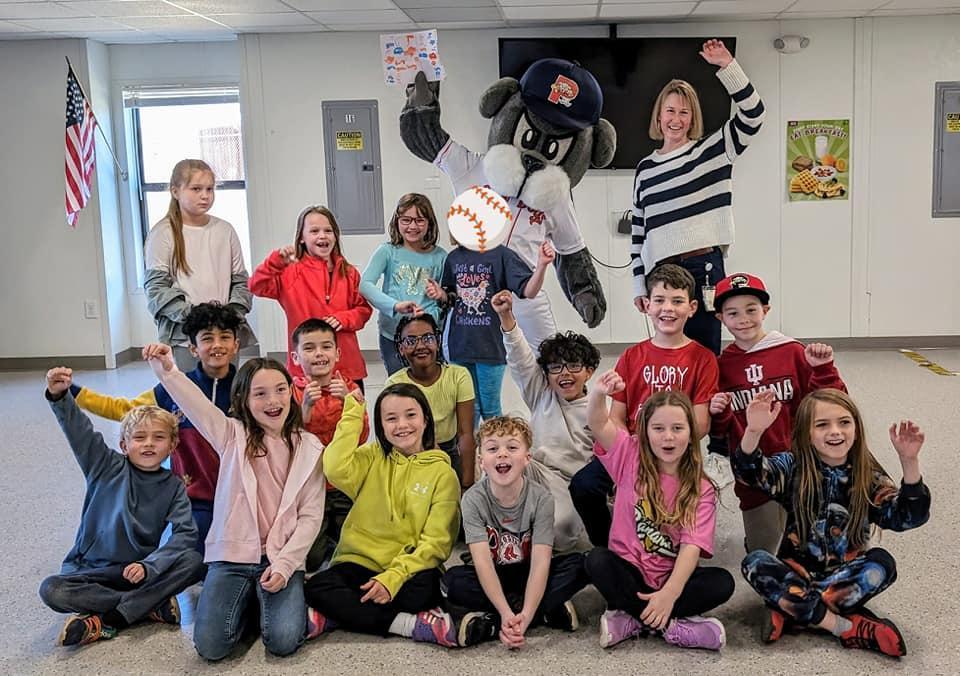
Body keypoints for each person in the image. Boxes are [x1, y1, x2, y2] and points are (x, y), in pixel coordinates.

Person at [143, 344, 326, 660]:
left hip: (280, 556)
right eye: (260, 394)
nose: (273, 401)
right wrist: (168, 370)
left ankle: (269, 601)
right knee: (211, 647)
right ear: (242, 400)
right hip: (233, 556)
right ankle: (251, 601)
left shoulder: (309, 446)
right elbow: (196, 404)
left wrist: (283, 567)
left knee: (282, 641)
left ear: (291, 394)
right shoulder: (231, 434)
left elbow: (311, 516)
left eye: (281, 390)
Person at [735, 389, 930, 657]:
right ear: (806, 433)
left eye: (844, 422)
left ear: (857, 429)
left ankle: (791, 606)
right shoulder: (793, 466)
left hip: (844, 576)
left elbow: (905, 517)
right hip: (796, 570)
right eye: (822, 425)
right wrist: (753, 432)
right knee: (754, 561)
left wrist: (910, 463)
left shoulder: (868, 474)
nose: (835, 432)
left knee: (882, 564)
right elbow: (751, 474)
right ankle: (842, 626)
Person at [39, 368, 203, 647]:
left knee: (194, 562)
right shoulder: (103, 465)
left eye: (158, 438)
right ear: (124, 445)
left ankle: (109, 619)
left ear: (173, 445)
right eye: (139, 438)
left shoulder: (174, 486)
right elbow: (80, 432)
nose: (149, 444)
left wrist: (150, 566)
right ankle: (144, 608)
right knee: (52, 590)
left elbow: (184, 535)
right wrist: (60, 396)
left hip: (136, 572)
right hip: (90, 572)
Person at [66, 302, 242, 554]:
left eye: (225, 337)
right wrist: (73, 393)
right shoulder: (175, 387)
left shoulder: (246, 387)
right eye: (207, 338)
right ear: (193, 348)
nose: (217, 345)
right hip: (193, 496)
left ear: (236, 345)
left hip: (239, 493)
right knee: (194, 554)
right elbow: (124, 409)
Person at [631, 39, 766, 355]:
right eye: (670, 111)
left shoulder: (713, 151)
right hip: (661, 272)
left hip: (703, 266)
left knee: (704, 352)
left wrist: (728, 67)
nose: (676, 119)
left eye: (684, 112)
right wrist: (639, 285)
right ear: (659, 116)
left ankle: (704, 405)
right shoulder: (645, 168)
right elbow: (639, 233)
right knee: (669, 351)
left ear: (692, 118)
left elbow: (754, 115)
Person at [303, 384, 462, 648]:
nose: (402, 425)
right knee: (317, 587)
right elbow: (333, 467)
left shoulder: (443, 474)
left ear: (425, 419)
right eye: (391, 418)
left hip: (406, 568)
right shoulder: (373, 456)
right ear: (381, 426)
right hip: (359, 561)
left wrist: (393, 578)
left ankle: (339, 615)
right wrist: (353, 412)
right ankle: (408, 625)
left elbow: (437, 543)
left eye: (411, 415)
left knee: (428, 589)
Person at [570, 264, 718, 546]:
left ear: (692, 307)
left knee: (672, 497)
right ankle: (611, 545)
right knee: (584, 486)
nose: (668, 309)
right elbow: (616, 418)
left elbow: (699, 425)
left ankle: (671, 549)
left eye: (677, 301)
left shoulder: (703, 359)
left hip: (675, 451)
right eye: (660, 300)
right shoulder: (632, 355)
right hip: (632, 450)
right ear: (646, 305)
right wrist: (625, 456)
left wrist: (663, 445)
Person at [584, 375, 733, 650]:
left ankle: (632, 617)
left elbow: (691, 547)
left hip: (670, 576)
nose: (668, 436)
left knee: (723, 583)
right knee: (596, 560)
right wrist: (598, 394)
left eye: (678, 428)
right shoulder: (629, 454)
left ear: (691, 434)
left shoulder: (701, 487)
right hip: (630, 571)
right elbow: (598, 423)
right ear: (645, 431)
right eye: (658, 428)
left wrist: (669, 594)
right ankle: (669, 626)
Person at [708, 273, 846, 555]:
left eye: (751, 309)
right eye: (733, 313)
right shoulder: (722, 366)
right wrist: (718, 412)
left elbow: (835, 403)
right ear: (720, 317)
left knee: (814, 550)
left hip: (802, 463)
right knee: (765, 555)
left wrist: (823, 369)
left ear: (766, 311)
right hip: (754, 472)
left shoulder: (792, 351)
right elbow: (722, 429)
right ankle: (757, 540)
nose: (743, 318)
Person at [445, 416, 589, 648]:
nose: (502, 454)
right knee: (451, 583)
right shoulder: (472, 500)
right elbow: (482, 563)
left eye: (512, 447)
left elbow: (541, 562)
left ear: (527, 458)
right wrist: (506, 612)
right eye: (493, 448)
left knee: (581, 565)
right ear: (482, 461)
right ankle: (543, 611)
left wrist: (525, 614)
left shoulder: (541, 498)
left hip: (530, 570)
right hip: (493, 572)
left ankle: (495, 620)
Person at [491, 289, 600, 554]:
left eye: (573, 366)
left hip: (570, 483)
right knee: (499, 460)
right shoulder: (542, 393)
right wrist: (506, 316)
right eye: (555, 368)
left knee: (561, 527)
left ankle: (545, 562)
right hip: (534, 470)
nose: (564, 374)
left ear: (589, 371)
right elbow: (520, 359)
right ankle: (499, 545)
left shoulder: (599, 408)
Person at [427, 239, 554, 424]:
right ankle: (471, 451)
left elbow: (528, 291)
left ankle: (494, 450)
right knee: (468, 407)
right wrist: (440, 294)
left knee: (490, 407)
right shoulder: (453, 258)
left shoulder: (502, 255)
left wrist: (542, 265)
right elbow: (450, 298)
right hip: (460, 346)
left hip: (492, 346)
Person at [145, 158, 254, 371]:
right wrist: (196, 318)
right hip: (185, 336)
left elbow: (241, 282)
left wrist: (228, 316)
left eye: (210, 189)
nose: (205, 195)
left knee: (227, 394)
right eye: (196, 189)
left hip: (224, 333)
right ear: (175, 191)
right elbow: (157, 289)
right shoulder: (163, 233)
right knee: (191, 396)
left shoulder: (225, 230)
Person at [249, 205, 372, 389]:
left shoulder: (349, 272)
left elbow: (363, 310)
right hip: (305, 372)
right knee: (308, 417)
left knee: (352, 416)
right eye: (314, 231)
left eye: (328, 231)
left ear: (335, 236)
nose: (322, 236)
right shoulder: (289, 273)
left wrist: (344, 318)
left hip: (346, 369)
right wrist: (275, 262)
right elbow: (256, 286)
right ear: (301, 238)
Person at [289, 317, 369, 571]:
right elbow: (287, 442)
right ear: (295, 357)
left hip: (345, 484)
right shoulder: (292, 392)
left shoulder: (350, 388)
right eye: (309, 348)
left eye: (325, 347)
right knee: (312, 559)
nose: (318, 354)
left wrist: (349, 404)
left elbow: (363, 435)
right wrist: (305, 410)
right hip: (311, 487)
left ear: (337, 353)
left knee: (357, 549)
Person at [385, 314, 477, 489]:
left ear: (438, 341)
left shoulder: (458, 376)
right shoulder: (395, 384)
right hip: (412, 452)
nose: (420, 346)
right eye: (411, 341)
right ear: (401, 348)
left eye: (427, 338)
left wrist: (467, 486)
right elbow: (395, 439)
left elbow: (465, 434)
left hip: (450, 449)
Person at [360, 193, 447, 376]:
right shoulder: (388, 252)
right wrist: (395, 306)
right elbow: (365, 284)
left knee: (431, 387)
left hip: (428, 337)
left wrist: (439, 298)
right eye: (406, 220)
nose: (412, 226)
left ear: (429, 223)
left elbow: (447, 298)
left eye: (419, 220)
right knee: (400, 387)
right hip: (393, 336)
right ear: (397, 221)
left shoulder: (440, 257)